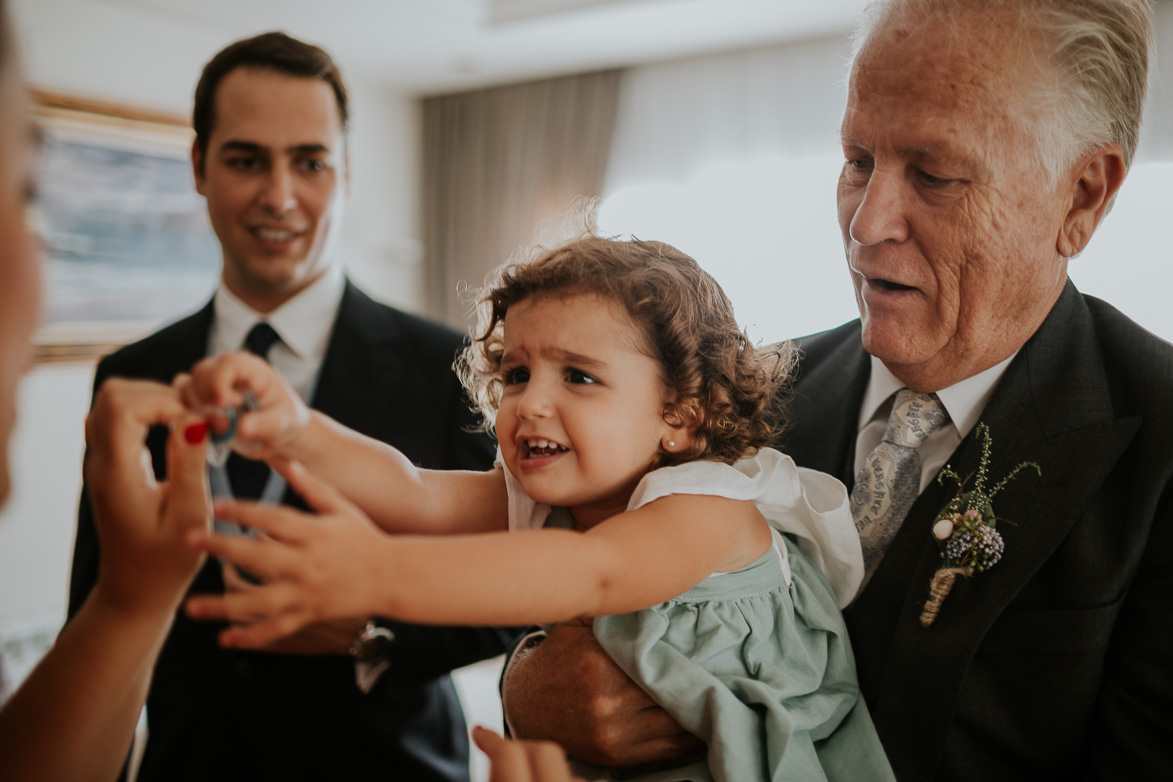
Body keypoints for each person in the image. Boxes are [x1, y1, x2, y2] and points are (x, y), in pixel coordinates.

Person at [496, 1, 1173, 781]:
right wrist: (531, 683)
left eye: (933, 174)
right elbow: (571, 564)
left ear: (1082, 195)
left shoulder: (1157, 444)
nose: (866, 222)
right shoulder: (732, 394)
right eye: (856, 159)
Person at [179, 236, 894, 780]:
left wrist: (377, 574)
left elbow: (590, 572)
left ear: (678, 411)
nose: (530, 403)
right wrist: (294, 430)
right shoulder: (550, 499)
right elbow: (409, 491)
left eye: (578, 376)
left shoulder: (709, 507)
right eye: (516, 373)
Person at [66, 31, 513, 782]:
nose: (279, 196)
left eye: (309, 162)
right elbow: (97, 603)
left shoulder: (446, 364)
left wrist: (379, 628)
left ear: (344, 174)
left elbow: (518, 580)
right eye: (246, 160)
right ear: (199, 168)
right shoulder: (130, 374)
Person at [0, 1, 214, 777]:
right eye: (23, 193)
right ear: (201, 169)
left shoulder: (434, 353)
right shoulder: (130, 369)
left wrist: (138, 596)